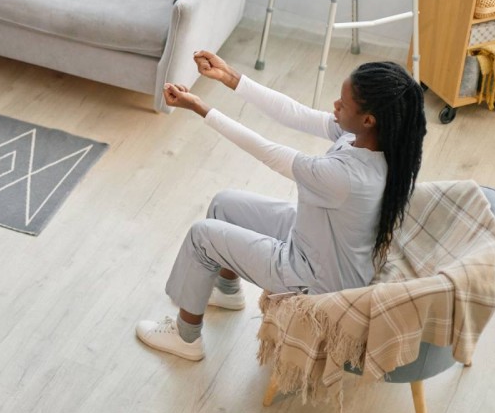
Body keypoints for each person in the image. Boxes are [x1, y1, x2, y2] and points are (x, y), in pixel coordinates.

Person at [136, 51, 427, 361]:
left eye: (344, 103)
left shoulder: (345, 176)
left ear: (368, 119)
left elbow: (268, 152)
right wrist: (229, 76)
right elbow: (294, 113)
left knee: (202, 235)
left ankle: (185, 337)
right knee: (225, 204)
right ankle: (226, 289)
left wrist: (199, 107)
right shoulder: (376, 140)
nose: (335, 106)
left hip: (314, 276)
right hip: (321, 240)